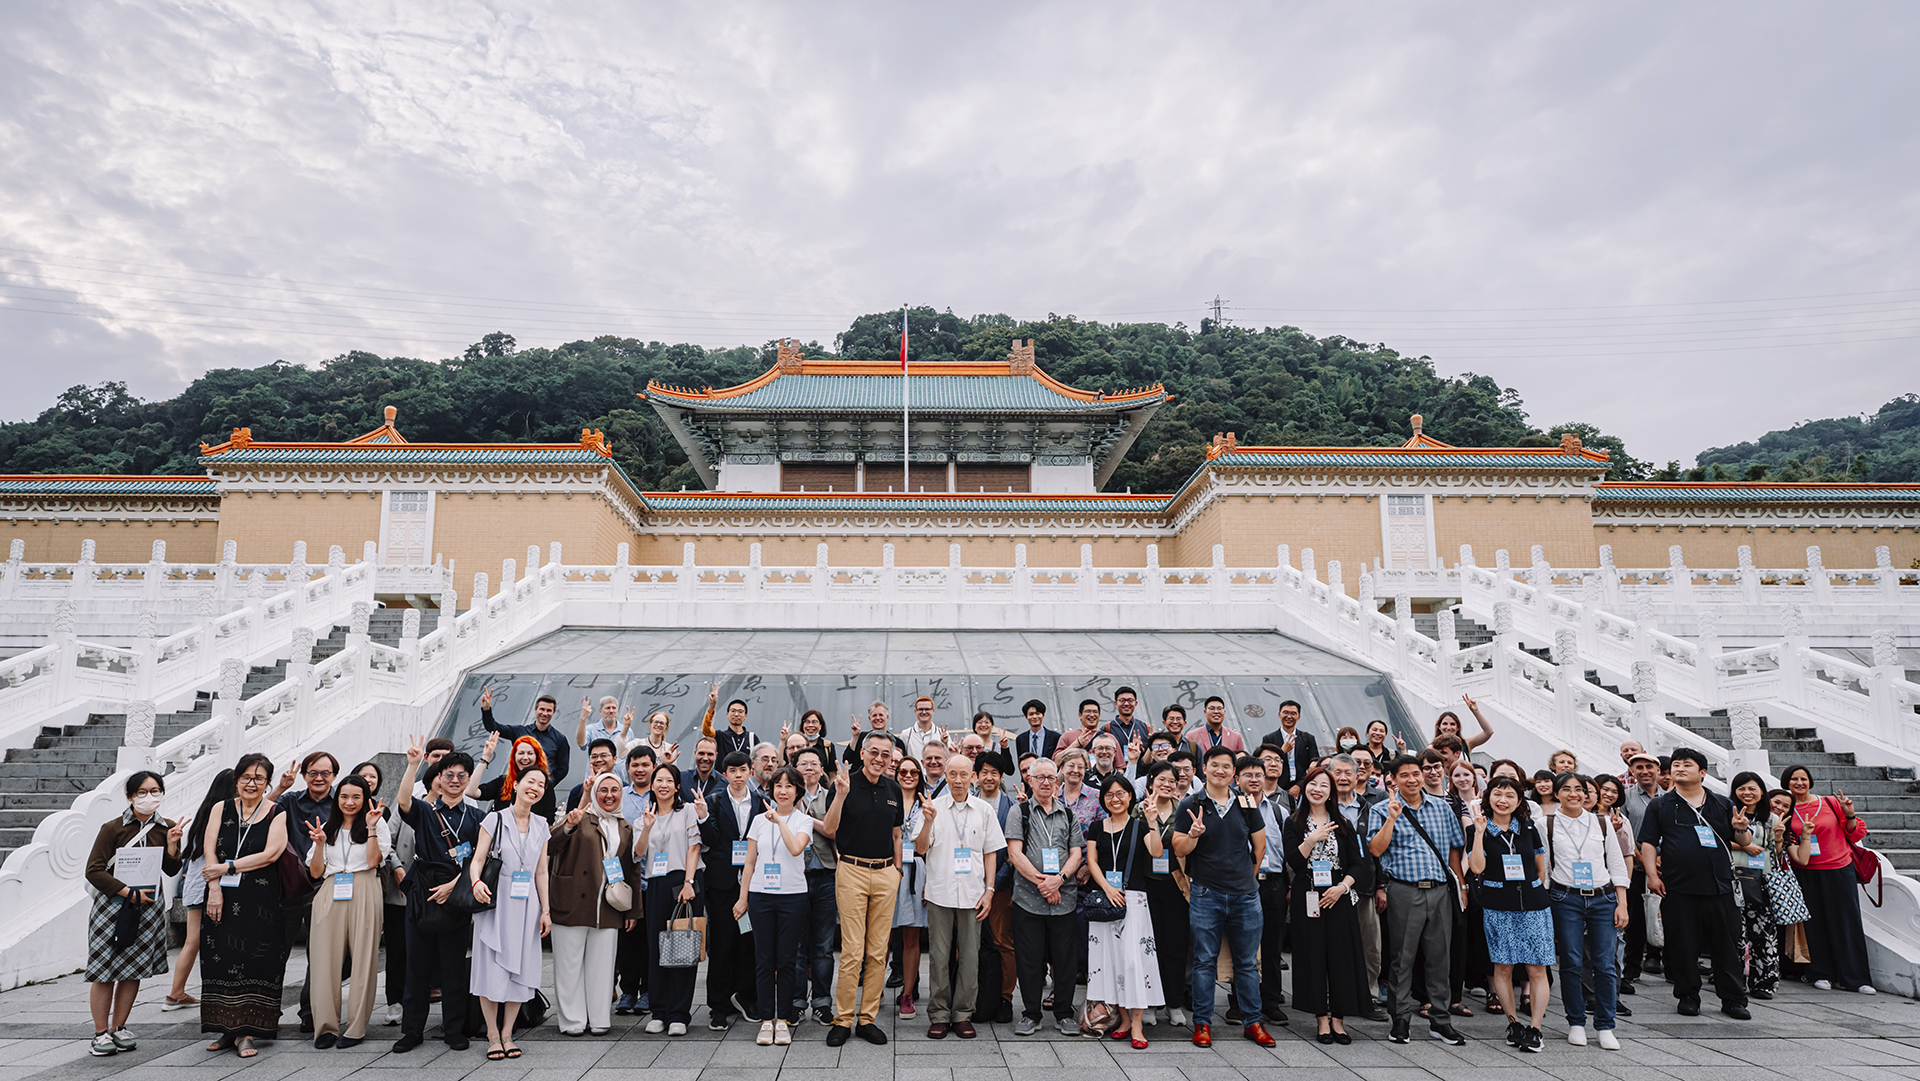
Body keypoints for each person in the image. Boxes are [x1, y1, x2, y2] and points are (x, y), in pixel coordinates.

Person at [1637, 747, 1753, 1019]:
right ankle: (1688, 995)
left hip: (1720, 887)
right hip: (1678, 887)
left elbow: (1744, 841)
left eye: (1687, 764)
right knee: (1682, 945)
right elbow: (1648, 842)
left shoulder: (1722, 803)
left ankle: (1733, 999)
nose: (1679, 768)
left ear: (1702, 772)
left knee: (1726, 946)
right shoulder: (1661, 805)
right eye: (1676, 764)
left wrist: (1741, 829)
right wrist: (1652, 875)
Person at [1170, 747, 1275, 1048]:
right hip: (1206, 893)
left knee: (1247, 963)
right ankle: (1202, 1023)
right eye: (1214, 765)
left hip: (1245, 895)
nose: (1220, 771)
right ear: (1204, 769)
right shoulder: (1191, 803)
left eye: (1226, 766)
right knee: (1204, 961)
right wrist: (1193, 835)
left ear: (1234, 773)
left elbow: (1259, 847)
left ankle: (1253, 1022)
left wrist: (1246, 878)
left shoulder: (1246, 803)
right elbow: (1178, 848)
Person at [1368, 753, 1469, 1046]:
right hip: (1404, 890)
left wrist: (1461, 886)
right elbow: (1375, 850)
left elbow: (1454, 849)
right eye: (1404, 775)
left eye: (1416, 773)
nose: (1412, 780)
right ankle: (1400, 1019)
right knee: (1402, 958)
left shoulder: (1442, 807)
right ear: (1393, 780)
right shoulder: (1381, 810)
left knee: (1440, 957)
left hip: (1439, 890)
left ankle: (1441, 1020)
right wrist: (1392, 818)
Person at [83, 770, 183, 1057]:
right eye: (142, 792)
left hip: (148, 909)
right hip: (112, 908)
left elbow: (172, 870)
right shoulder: (112, 828)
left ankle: (119, 1027)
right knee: (104, 970)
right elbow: (94, 870)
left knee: (132, 968)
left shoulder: (167, 827)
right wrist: (127, 892)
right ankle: (100, 1033)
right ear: (130, 796)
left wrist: (173, 846)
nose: (149, 797)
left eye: (155, 791)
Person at [394, 739, 484, 1053]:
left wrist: (455, 886)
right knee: (416, 965)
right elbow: (403, 800)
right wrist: (412, 766)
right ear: (438, 779)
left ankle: (454, 1029)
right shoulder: (425, 810)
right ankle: (412, 1030)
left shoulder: (477, 818)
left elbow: (480, 859)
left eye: (461, 775)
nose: (455, 780)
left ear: (468, 780)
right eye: (449, 775)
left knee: (453, 967)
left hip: (456, 895)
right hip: (423, 892)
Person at [202, 752, 291, 1058]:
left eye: (259, 778)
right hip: (222, 897)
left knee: (255, 960)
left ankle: (247, 1032)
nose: (251, 783)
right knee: (220, 958)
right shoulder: (221, 808)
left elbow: (271, 853)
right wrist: (214, 887)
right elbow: (209, 850)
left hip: (260, 899)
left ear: (268, 782)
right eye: (246, 777)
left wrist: (228, 867)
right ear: (236, 779)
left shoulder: (276, 811)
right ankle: (227, 1029)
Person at [823, 730, 905, 1046]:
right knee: (852, 951)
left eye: (885, 754)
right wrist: (841, 796)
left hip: (885, 873)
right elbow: (829, 828)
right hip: (852, 871)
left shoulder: (893, 788)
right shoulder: (844, 784)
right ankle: (843, 1019)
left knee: (877, 951)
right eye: (874, 752)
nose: (879, 759)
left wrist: (897, 871)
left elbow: (896, 834)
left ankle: (867, 1019)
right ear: (862, 753)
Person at [915, 752, 1004, 1039]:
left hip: (973, 895)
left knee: (970, 957)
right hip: (940, 893)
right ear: (945, 776)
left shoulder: (984, 810)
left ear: (972, 777)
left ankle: (963, 1014)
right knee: (939, 957)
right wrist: (928, 821)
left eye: (963, 774)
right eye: (952, 774)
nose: (957, 780)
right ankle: (939, 1014)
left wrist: (990, 891)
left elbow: (991, 853)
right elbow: (920, 848)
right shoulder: (933, 807)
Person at [468, 765, 552, 1060]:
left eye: (541, 784)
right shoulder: (495, 818)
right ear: (515, 785)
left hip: (527, 903)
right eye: (530, 781)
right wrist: (476, 882)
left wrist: (546, 910)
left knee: (520, 968)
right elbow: (478, 860)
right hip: (497, 900)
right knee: (492, 967)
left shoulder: (542, 825)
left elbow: (541, 872)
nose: (535, 787)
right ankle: (492, 1034)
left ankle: (507, 1033)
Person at [1466, 776, 1552, 1053]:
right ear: (1487, 797)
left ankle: (1535, 1029)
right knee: (1503, 967)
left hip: (1534, 906)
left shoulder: (1528, 827)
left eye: (1510, 795)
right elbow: (1476, 868)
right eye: (1497, 794)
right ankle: (1513, 1023)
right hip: (1498, 906)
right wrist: (1479, 833)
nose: (1503, 800)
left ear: (1519, 801)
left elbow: (1540, 867)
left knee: (1536, 967)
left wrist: (1533, 891)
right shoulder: (1477, 829)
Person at [305, 773, 390, 1048]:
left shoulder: (376, 822)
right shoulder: (326, 827)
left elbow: (374, 860)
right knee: (323, 962)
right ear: (336, 798)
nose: (349, 802)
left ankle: (355, 1028)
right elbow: (315, 872)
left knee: (364, 960)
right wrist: (320, 844)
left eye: (356, 797)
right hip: (331, 889)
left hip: (364, 887)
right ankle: (325, 1027)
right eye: (344, 796)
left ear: (366, 799)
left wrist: (372, 828)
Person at [1545, 772, 1630, 1049]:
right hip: (1565, 897)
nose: (1573, 794)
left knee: (1605, 963)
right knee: (1570, 962)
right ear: (1556, 793)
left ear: (1586, 793)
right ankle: (1576, 1022)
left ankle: (1605, 1025)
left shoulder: (1601, 822)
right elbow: (1543, 868)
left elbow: (1616, 864)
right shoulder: (1546, 824)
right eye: (1566, 789)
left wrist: (1622, 903)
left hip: (1602, 898)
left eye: (1579, 789)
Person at [550, 773, 638, 1037]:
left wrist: (632, 911)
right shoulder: (580, 817)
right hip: (572, 900)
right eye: (603, 790)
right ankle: (572, 1020)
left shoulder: (625, 827)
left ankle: (599, 1018)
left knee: (602, 967)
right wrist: (568, 824)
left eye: (615, 790)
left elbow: (631, 869)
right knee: (569, 966)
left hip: (608, 905)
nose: (609, 795)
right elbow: (550, 845)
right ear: (595, 792)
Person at [1283, 767, 1365, 1045]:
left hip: (1338, 893)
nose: (1317, 789)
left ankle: (1338, 1019)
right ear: (1305, 787)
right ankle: (1321, 1018)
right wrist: (1310, 840)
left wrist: (1342, 888)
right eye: (1312, 784)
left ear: (1331, 792)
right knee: (1312, 955)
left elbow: (1358, 864)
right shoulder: (1294, 822)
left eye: (1324, 785)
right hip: (1308, 893)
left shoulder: (1343, 823)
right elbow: (1293, 861)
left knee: (1342, 956)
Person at [1006, 755, 1083, 1037]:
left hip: (1064, 899)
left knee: (1065, 960)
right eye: (1040, 777)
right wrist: (1044, 884)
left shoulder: (1068, 814)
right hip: (1028, 899)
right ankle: (1031, 1013)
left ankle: (1064, 1013)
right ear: (1030, 780)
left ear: (1057, 781)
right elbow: (1015, 854)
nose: (1046, 783)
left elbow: (1076, 853)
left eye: (1051, 778)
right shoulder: (1020, 812)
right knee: (1029, 959)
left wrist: (1058, 880)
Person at [1781, 764, 1875, 994]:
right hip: (1805, 870)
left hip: (1839, 868)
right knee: (1814, 923)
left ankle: (1856, 978)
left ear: (1810, 781)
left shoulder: (1830, 803)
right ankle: (1821, 974)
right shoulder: (1787, 808)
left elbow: (1855, 832)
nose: (1799, 783)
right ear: (1786, 783)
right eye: (1794, 779)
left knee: (1846, 922)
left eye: (1803, 778)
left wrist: (1849, 813)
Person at [736, 765, 812, 1045]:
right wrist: (743, 897)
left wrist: (780, 821)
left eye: (789, 786)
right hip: (761, 895)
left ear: (798, 791)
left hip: (793, 896)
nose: (783, 790)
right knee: (764, 959)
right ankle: (766, 1020)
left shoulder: (804, 820)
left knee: (787, 960)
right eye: (778, 785)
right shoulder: (758, 821)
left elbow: (796, 848)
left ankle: (784, 1020)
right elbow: (750, 862)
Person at [1085, 774, 1161, 1048]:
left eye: (1120, 794)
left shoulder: (1140, 825)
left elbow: (1156, 852)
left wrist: (1152, 822)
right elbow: (1092, 861)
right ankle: (1125, 1020)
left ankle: (1138, 1025)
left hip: (1134, 900)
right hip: (1105, 900)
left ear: (1130, 796)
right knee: (1111, 962)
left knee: (1132, 962)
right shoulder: (1096, 827)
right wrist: (1107, 888)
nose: (1115, 799)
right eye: (1109, 794)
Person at [268, 749, 337, 1034]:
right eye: (313, 773)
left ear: (334, 775)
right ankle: (268, 1010)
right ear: (304, 775)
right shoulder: (289, 801)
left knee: (319, 952)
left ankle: (310, 1010)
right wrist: (281, 787)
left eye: (325, 773)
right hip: (289, 884)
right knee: (276, 950)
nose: (319, 778)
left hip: (325, 884)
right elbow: (258, 812)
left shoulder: (341, 801)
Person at [699, 751, 767, 1030]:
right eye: (732, 771)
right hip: (722, 883)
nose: (738, 775)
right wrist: (703, 817)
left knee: (749, 942)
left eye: (743, 770)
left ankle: (746, 996)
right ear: (724, 774)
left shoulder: (761, 802)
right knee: (722, 942)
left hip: (754, 882)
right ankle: (718, 1004)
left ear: (751, 771)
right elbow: (711, 839)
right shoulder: (714, 801)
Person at [638, 761, 704, 1035]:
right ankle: (659, 1011)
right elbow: (639, 852)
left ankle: (679, 1014)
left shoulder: (687, 811)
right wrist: (646, 827)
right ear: (652, 786)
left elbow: (694, 847)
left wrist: (689, 883)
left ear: (677, 786)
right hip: (655, 883)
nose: (663, 785)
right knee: (657, 948)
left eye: (668, 781)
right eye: (658, 780)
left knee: (682, 947)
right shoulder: (645, 816)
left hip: (683, 882)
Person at [163, 768, 234, 1014]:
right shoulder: (223, 817)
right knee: (221, 941)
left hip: (194, 887)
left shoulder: (202, 815)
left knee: (192, 941)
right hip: (213, 887)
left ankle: (176, 993)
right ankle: (220, 993)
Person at [1326, 754, 1386, 1021]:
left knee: (1370, 946)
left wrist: (1381, 885)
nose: (1342, 778)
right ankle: (1332, 997)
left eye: (1347, 773)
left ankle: (1368, 997)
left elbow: (1379, 851)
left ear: (1357, 775)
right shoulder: (1320, 805)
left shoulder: (1370, 809)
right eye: (1337, 772)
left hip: (1363, 886)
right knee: (1332, 945)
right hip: (1329, 888)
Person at [1137, 761, 1192, 1026]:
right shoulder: (1139, 810)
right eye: (1161, 779)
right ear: (1151, 783)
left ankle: (1173, 1002)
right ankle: (1150, 1003)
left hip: (1176, 885)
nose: (1167, 784)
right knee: (1149, 945)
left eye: (1172, 780)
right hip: (1146, 884)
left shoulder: (1183, 810)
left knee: (1175, 945)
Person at [792, 748, 839, 1024]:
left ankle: (822, 1002)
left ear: (822, 769)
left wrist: (807, 820)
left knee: (823, 946)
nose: (808, 768)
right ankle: (796, 1002)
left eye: (814, 764)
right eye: (803, 764)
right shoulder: (786, 795)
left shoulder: (831, 795)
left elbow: (835, 830)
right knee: (797, 947)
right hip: (795, 879)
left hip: (825, 877)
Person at [1729, 772, 1781, 1000]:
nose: (1747, 793)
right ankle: (1735, 981)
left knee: (1764, 934)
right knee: (1735, 934)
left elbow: (1775, 852)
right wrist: (1744, 846)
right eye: (1741, 788)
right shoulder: (1727, 813)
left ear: (1761, 792)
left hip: (1761, 880)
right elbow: (1718, 840)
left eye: (1752, 788)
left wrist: (1779, 838)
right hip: (1732, 878)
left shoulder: (1771, 819)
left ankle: (1764, 982)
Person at [614, 745, 657, 1016]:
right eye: (635, 765)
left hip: (656, 877)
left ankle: (649, 990)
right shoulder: (620, 796)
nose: (640, 769)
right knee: (629, 937)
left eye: (645, 764)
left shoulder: (663, 793)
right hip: (628, 879)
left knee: (652, 938)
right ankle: (628, 991)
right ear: (627, 768)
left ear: (654, 767)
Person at [891, 756, 931, 1018]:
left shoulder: (926, 804)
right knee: (880, 937)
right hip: (888, 870)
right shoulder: (887, 800)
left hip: (916, 870)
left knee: (911, 937)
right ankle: (873, 992)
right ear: (896, 774)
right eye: (903, 771)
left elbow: (927, 848)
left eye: (913, 772)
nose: (908, 775)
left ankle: (907, 993)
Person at [1621, 750, 1663, 987]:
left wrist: (1661, 860)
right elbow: (1624, 833)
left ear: (1658, 770)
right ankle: (1632, 968)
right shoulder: (1626, 797)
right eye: (1639, 768)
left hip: (1667, 867)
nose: (1645, 771)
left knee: (1670, 918)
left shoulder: (1671, 797)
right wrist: (1644, 860)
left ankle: (1671, 967)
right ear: (1632, 772)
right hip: (1636, 867)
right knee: (1635, 920)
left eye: (1649, 767)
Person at [480, 688, 571, 793]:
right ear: (535, 709)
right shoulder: (519, 731)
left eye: (549, 710)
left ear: (554, 712)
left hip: (541, 791)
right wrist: (486, 710)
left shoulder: (560, 739)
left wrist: (547, 784)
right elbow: (493, 728)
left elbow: (563, 769)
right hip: (518, 787)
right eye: (542, 709)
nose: (545, 713)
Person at [470, 734, 557, 822]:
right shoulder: (503, 781)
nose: (525, 757)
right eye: (521, 753)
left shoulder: (545, 785)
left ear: (537, 757)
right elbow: (471, 792)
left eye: (530, 753)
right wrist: (485, 758)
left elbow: (549, 820)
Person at [1260, 699, 1319, 798]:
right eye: (1285, 713)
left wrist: (1299, 785)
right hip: (1277, 788)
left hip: (1302, 790)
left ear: (1298, 717)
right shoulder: (1269, 739)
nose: (1289, 716)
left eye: (1293, 713)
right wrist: (1282, 751)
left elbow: (1314, 765)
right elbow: (1264, 764)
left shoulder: (1308, 738)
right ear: (1279, 714)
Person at [703, 686, 759, 760]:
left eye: (740, 711)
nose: (736, 714)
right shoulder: (721, 736)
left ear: (745, 716)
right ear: (727, 714)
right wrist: (711, 706)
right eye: (733, 711)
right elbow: (706, 730)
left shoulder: (752, 738)